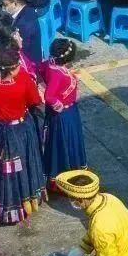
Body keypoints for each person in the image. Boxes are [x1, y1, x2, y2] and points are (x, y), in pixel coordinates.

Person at [0, 45, 47, 226]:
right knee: (22, 166)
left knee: (1, 169)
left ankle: (2, 206)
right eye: (18, 65)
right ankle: (24, 202)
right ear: (11, 69)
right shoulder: (23, 80)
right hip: (20, 130)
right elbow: (35, 101)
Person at [38, 37, 85, 180]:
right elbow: (49, 96)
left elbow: (40, 69)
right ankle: (65, 172)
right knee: (66, 143)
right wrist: (60, 107)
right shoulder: (58, 74)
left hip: (64, 113)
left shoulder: (49, 64)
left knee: (57, 142)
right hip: (64, 115)